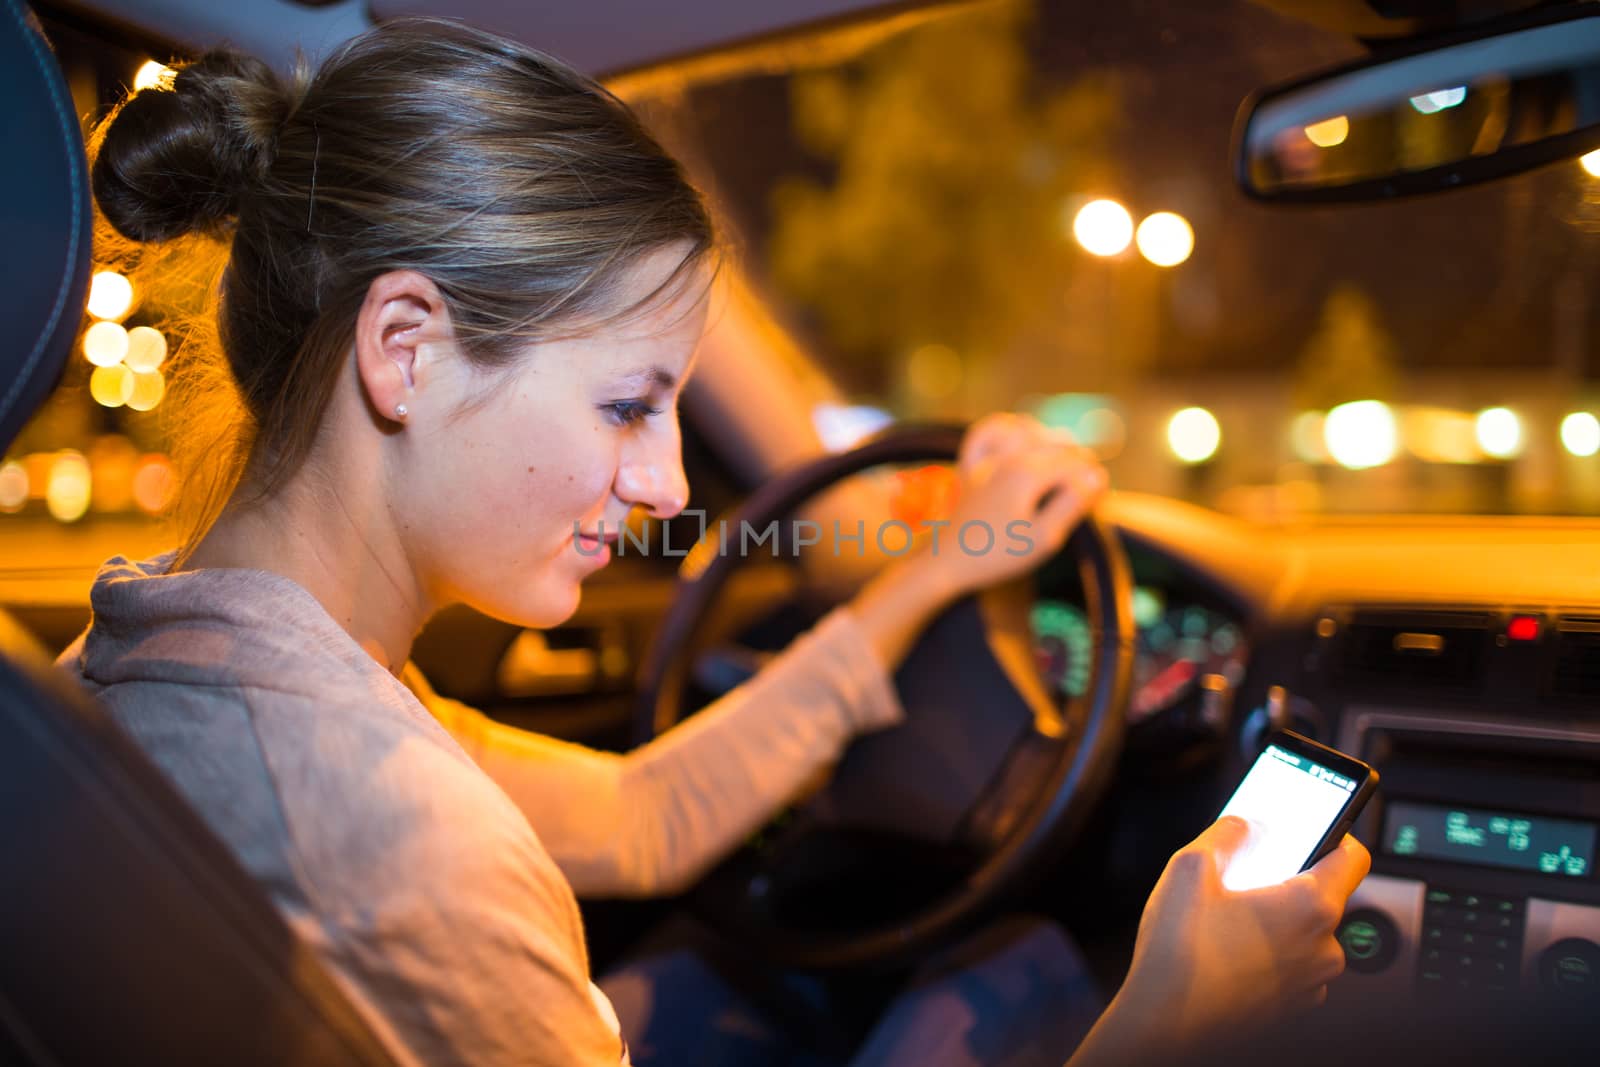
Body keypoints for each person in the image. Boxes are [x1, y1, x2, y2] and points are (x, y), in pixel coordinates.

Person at [63, 17, 1369, 1066]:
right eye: (628, 403)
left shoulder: (167, 668)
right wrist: (1161, 1035)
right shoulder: (402, 861)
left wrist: (926, 580)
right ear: (404, 351)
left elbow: (645, 815)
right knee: (1020, 974)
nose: (670, 480)